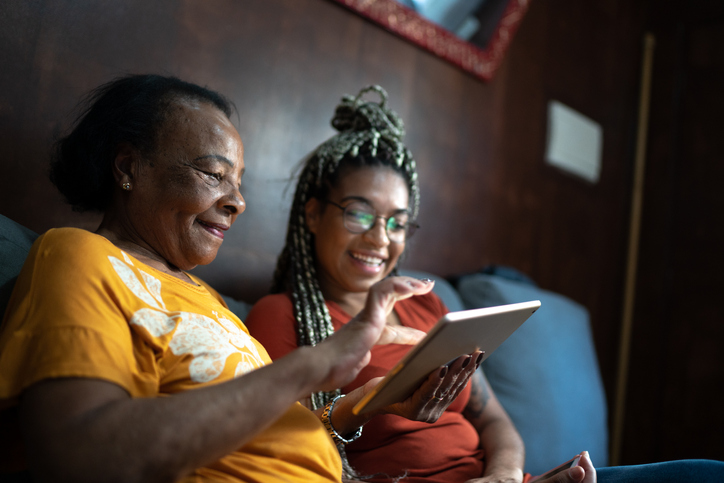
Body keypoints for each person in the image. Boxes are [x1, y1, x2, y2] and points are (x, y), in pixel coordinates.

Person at [244, 85, 724, 483]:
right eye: (359, 212)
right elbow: (291, 445)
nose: (379, 237)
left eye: (396, 222)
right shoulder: (279, 314)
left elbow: (494, 419)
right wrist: (375, 400)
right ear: (312, 213)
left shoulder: (425, 303)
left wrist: (507, 475)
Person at [0, 74, 440, 483]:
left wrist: (362, 405)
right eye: (214, 175)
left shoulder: (209, 299)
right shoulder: (78, 255)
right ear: (128, 167)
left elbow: (262, 423)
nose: (238, 202)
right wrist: (313, 363)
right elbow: (75, 453)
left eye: (238, 182)